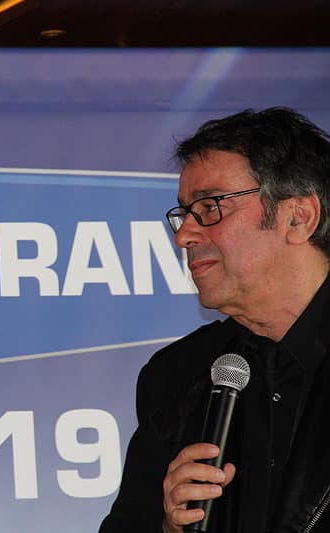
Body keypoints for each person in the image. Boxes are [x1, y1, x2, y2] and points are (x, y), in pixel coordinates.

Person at [99, 107, 330, 532]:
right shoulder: (176, 377)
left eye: (210, 207)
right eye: (184, 213)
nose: (183, 235)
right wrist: (168, 527)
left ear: (298, 217)